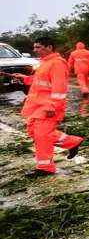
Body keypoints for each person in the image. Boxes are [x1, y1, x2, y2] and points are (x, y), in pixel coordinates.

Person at [10, 37, 83, 176]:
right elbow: (39, 81)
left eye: (38, 47)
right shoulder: (44, 63)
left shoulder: (57, 64)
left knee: (42, 135)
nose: (34, 50)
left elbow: (59, 89)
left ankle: (45, 168)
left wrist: (52, 107)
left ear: (49, 47)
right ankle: (72, 142)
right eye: (34, 47)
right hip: (39, 106)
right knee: (33, 131)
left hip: (49, 107)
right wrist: (23, 77)